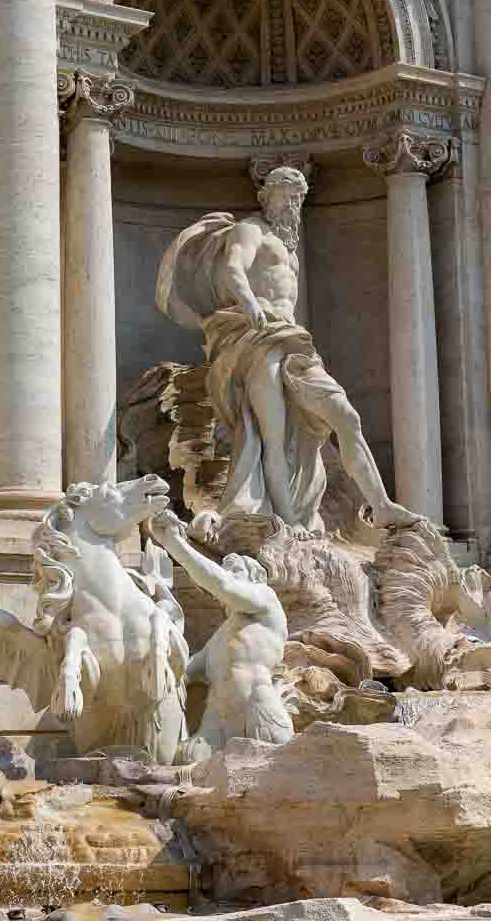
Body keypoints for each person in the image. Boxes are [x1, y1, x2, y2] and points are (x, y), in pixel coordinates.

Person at [156, 165, 424, 534]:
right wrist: (249, 302)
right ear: (265, 196)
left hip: (291, 339)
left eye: (297, 196)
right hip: (254, 336)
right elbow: (234, 267)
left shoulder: (289, 249)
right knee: (273, 435)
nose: (291, 202)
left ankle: (381, 505)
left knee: (345, 415)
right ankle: (287, 521)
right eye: (283, 193)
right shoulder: (250, 229)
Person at [150, 508, 293, 751]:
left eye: (235, 570)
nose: (228, 575)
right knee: (185, 761)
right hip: (215, 721)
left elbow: (222, 584)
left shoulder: (265, 602)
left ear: (255, 577)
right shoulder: (219, 638)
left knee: (273, 766)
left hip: (257, 709)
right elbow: (181, 671)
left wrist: (174, 543)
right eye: (226, 570)